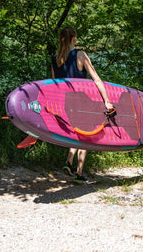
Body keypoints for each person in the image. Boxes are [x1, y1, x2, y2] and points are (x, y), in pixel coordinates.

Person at [51, 26, 114, 184]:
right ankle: (79, 174)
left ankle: (68, 163)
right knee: (86, 137)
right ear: (74, 38)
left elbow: (54, 85)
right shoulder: (80, 55)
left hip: (65, 104)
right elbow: (96, 78)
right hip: (81, 102)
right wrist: (107, 101)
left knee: (76, 133)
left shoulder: (54, 58)